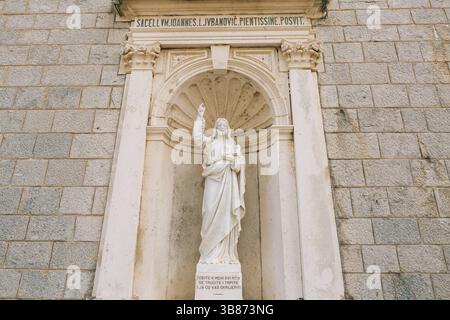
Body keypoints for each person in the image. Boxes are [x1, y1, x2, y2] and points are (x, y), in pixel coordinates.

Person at [192, 103, 246, 264]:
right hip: (212, 178)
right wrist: (200, 118)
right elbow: (197, 139)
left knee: (227, 214)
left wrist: (233, 161)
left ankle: (225, 255)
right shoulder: (210, 142)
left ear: (228, 128)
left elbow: (239, 166)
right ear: (215, 128)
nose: (222, 126)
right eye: (219, 124)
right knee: (209, 210)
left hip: (228, 180)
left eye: (224, 125)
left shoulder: (233, 145)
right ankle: (209, 255)